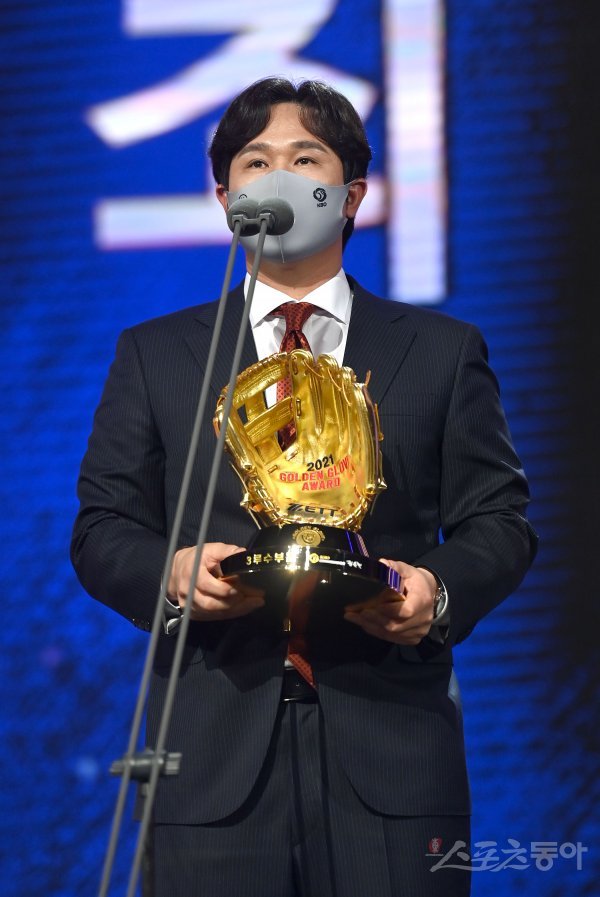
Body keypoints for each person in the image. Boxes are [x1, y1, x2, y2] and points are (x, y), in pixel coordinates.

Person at [71, 78, 538, 897]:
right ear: (226, 201)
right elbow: (103, 526)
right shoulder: (157, 354)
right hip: (209, 757)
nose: (278, 177)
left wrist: (434, 590)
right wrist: (172, 572)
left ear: (352, 193)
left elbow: (499, 519)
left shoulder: (440, 349)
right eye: (255, 162)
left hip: (393, 755)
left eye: (304, 158)